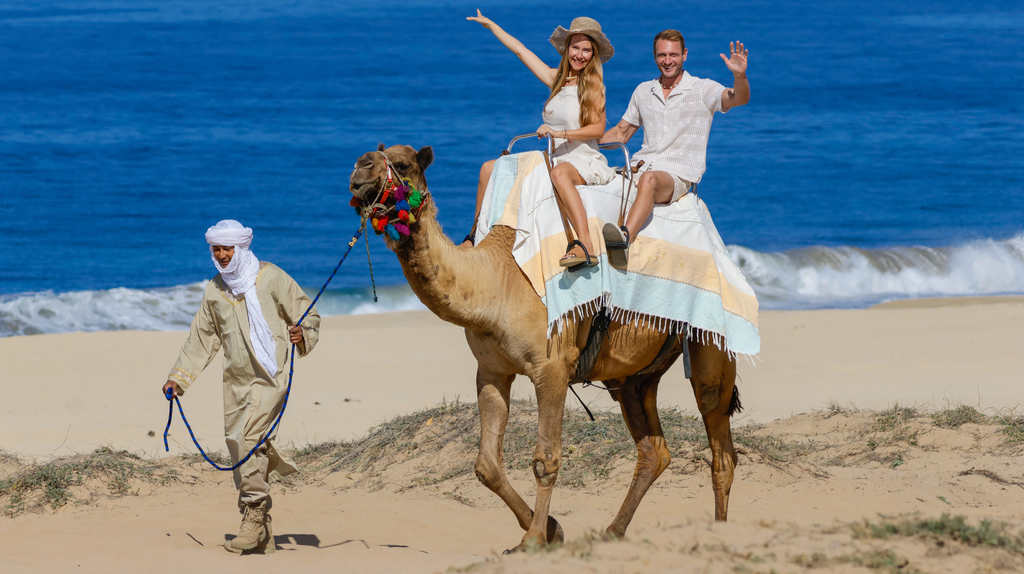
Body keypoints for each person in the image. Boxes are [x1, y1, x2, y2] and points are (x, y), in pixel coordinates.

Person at [161, 220, 320, 555]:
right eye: (216, 249)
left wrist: (302, 332)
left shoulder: (271, 277)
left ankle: (254, 512)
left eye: (227, 249)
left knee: (248, 438)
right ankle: (263, 533)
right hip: (235, 380)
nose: (221, 255)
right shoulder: (214, 289)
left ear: (241, 248)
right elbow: (202, 339)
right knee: (238, 442)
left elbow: (306, 312)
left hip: (270, 376)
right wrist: (179, 378)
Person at [463, 11, 617, 269]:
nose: (580, 55)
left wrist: (560, 134)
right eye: (576, 47)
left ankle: (585, 245)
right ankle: (474, 237)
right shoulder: (557, 80)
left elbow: (598, 130)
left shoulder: (592, 85)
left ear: (593, 55)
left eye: (586, 50)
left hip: (582, 158)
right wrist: (491, 25)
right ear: (567, 49)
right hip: (554, 156)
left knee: (559, 174)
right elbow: (520, 51)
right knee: (488, 169)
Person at [600, 30, 750, 267]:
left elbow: (738, 98)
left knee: (649, 180)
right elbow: (620, 133)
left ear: (684, 55)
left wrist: (739, 76)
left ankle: (624, 239)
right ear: (654, 56)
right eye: (662, 55)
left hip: (676, 175)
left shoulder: (702, 89)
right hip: (637, 167)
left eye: (673, 55)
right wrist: (580, 142)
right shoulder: (644, 91)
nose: (667, 60)